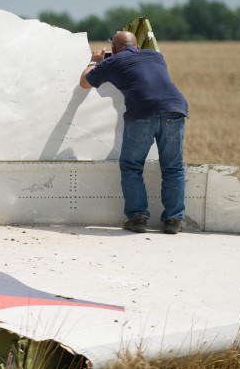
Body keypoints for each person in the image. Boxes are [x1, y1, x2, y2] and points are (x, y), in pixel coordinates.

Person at [79, 31, 188, 234]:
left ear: (114, 49)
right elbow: (133, 62)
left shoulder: (112, 63)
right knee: (173, 167)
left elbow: (85, 82)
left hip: (142, 113)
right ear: (137, 46)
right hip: (175, 110)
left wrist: (94, 61)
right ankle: (173, 220)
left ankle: (137, 217)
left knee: (132, 166)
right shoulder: (156, 55)